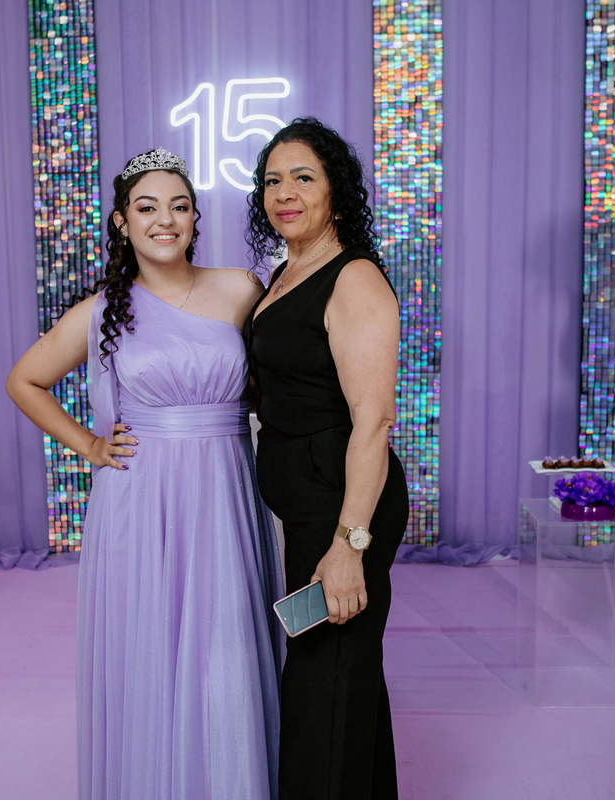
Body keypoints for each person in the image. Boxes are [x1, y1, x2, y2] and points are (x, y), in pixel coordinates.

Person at [6, 148, 282, 800]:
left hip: (225, 492)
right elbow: (25, 381)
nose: (165, 220)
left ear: (195, 218)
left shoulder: (242, 289)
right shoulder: (104, 309)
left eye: (179, 207)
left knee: (226, 650)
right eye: (147, 207)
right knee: (151, 652)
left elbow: (284, 376)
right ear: (122, 222)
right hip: (141, 500)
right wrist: (90, 444)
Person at [242, 119, 409, 800]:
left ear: (335, 191)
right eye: (272, 180)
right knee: (344, 676)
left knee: (322, 686)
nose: (284, 193)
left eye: (303, 177)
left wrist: (348, 546)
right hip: (310, 503)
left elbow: (373, 421)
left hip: (345, 506)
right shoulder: (287, 274)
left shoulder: (354, 278)